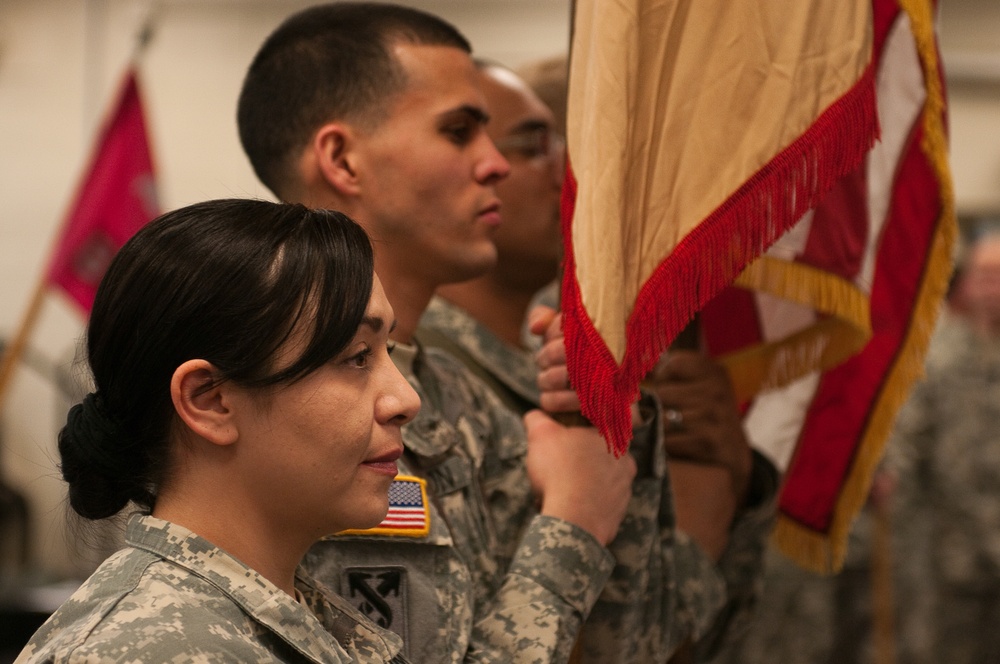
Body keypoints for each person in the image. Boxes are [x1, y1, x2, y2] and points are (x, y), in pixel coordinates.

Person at [237, 4, 772, 662]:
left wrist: (604, 436)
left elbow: (625, 649)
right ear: (343, 159)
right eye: (459, 133)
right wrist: (573, 519)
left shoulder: (453, 394)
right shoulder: (274, 400)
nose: (496, 165)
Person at [420, 59, 778, 660]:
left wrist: (733, 477)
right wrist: (703, 501)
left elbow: (709, 635)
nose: (571, 169)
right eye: (536, 144)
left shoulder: (553, 362)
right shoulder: (417, 384)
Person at [15, 199, 420, 663]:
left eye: (387, 350)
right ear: (211, 400)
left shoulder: (275, 616)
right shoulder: (144, 651)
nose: (406, 399)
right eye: (357, 356)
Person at [886, 227, 1000, 664]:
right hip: (952, 554)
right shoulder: (937, 355)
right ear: (967, 284)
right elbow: (908, 438)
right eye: (984, 277)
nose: (992, 289)